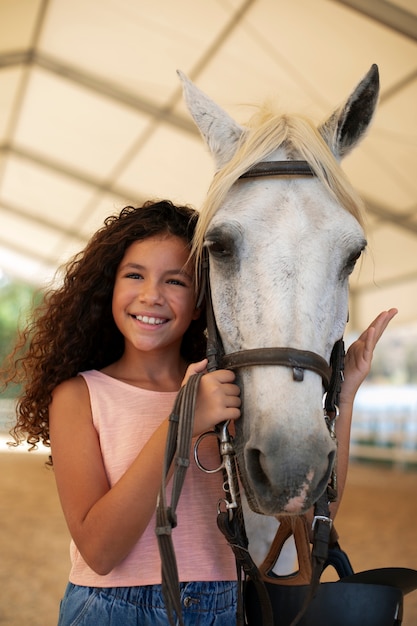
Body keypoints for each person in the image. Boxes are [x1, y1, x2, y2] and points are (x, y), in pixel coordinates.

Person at [5, 199, 397, 626]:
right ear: (109, 287)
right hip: (110, 609)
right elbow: (99, 552)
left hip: (226, 609)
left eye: (175, 281)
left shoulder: (230, 393)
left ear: (202, 300)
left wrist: (344, 395)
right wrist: (185, 421)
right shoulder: (79, 395)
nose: (151, 295)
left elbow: (307, 516)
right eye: (134, 275)